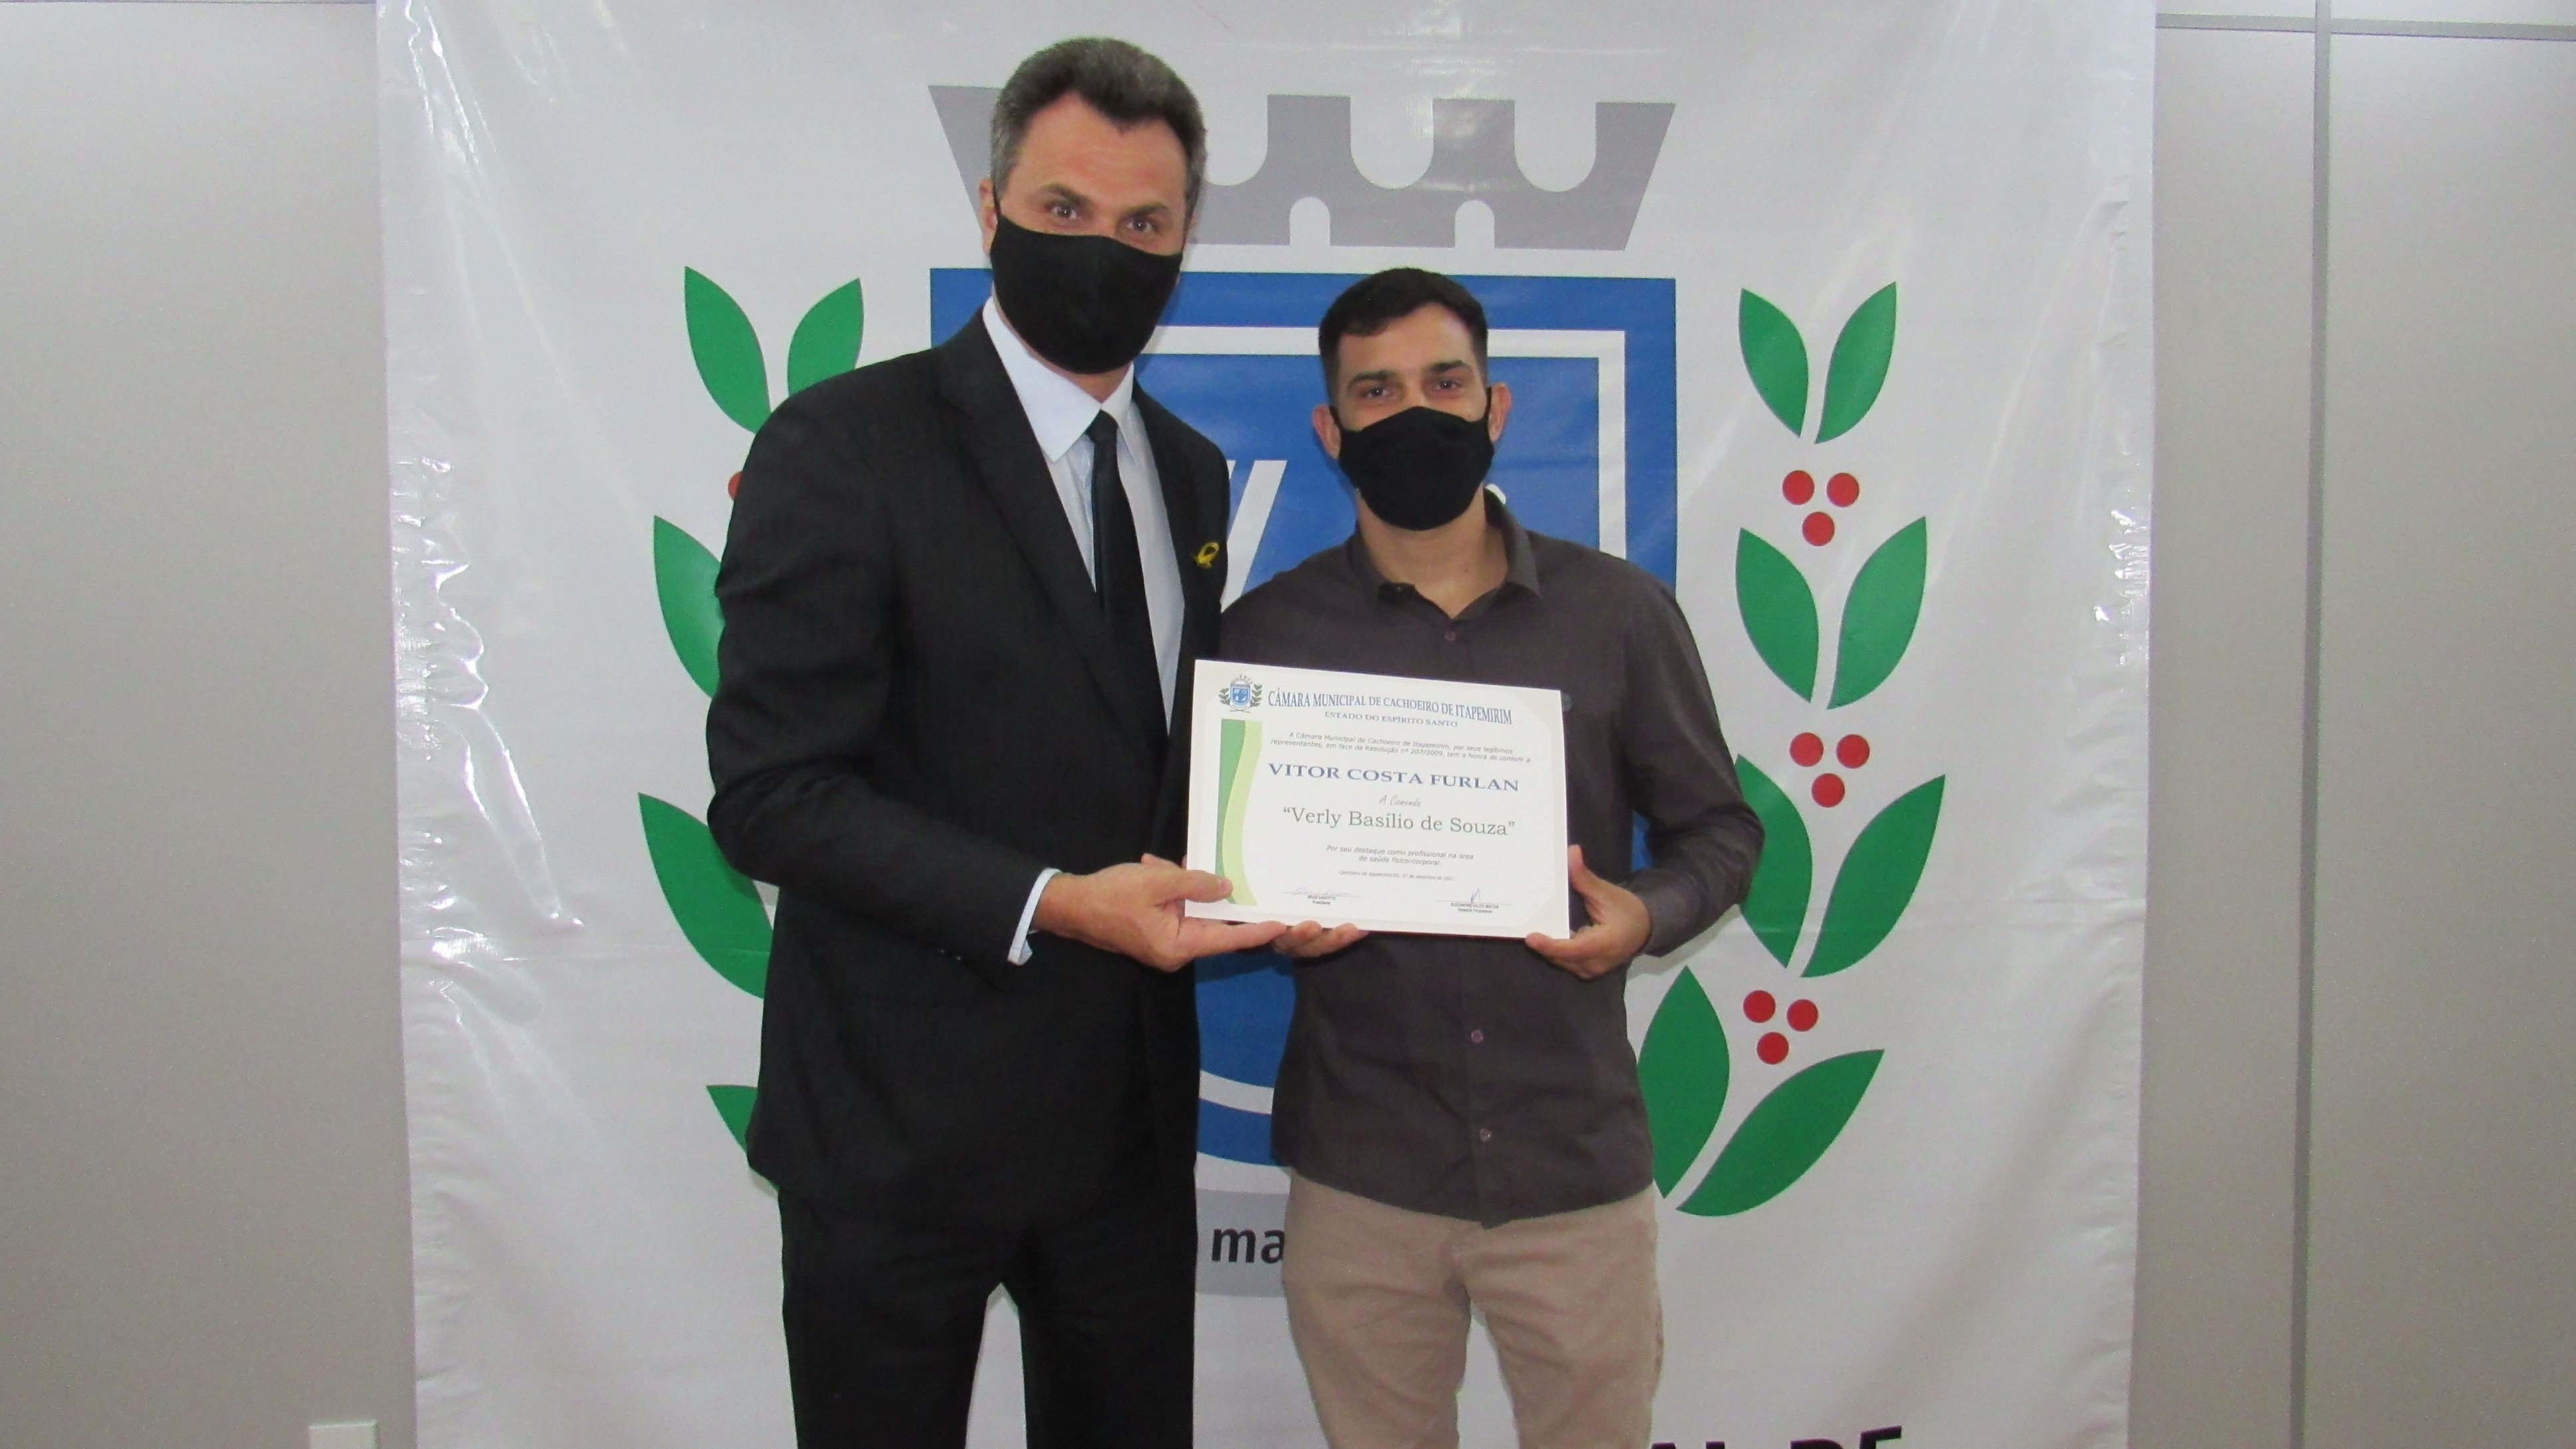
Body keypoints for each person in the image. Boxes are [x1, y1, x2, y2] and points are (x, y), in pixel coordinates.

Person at [705, 37, 1282, 1449]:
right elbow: (772, 795)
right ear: (989, 209)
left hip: (1125, 1137)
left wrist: (1291, 876)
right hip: (895, 1134)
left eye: (1144, 223)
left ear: (1184, 242)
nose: (1104, 248)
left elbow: (1150, 758)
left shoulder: (1190, 471)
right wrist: (1055, 902)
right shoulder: (843, 443)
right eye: (1065, 209)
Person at [1221, 267, 1766, 1449]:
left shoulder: (1618, 612)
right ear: (1331, 429)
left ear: (1495, 406)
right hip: (1363, 1174)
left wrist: (1647, 913)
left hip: (1570, 1165)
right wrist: (1265, 911)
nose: (1414, 411)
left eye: (1445, 382)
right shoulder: (1264, 639)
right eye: (1376, 391)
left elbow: (1723, 831)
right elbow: (1209, 868)